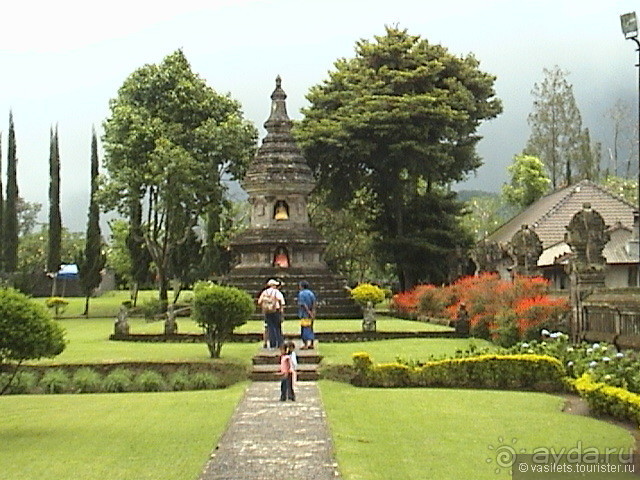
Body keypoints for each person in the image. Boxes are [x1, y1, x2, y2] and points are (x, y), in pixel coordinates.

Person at [257, 279, 285, 348]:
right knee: (278, 327)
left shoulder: (264, 292)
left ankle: (273, 343)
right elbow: (282, 302)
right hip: (276, 310)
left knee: (270, 327)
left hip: (267, 312)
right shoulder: (276, 292)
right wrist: (281, 310)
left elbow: (259, 302)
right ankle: (279, 342)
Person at [297, 280, 316, 349]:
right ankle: (311, 343)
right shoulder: (311, 293)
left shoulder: (301, 294)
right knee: (310, 328)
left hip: (304, 314)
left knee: (304, 328)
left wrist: (308, 312)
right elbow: (314, 303)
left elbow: (303, 304)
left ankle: (305, 344)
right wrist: (313, 312)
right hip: (311, 313)